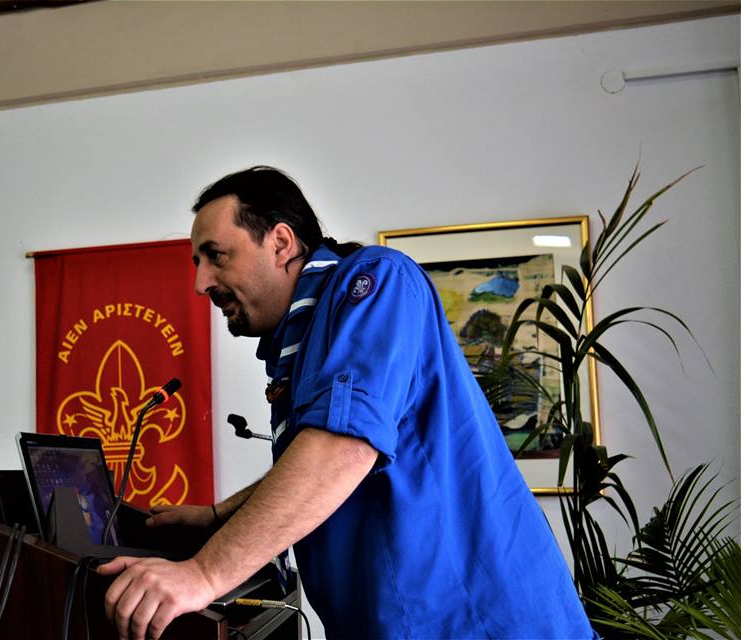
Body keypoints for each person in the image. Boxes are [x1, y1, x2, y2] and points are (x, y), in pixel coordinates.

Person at [98, 166, 594, 640]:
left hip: (474, 623)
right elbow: (318, 461)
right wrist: (217, 515)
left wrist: (205, 575)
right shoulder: (302, 344)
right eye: (198, 263)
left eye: (216, 256)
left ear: (281, 243)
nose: (201, 282)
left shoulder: (377, 282)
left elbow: (343, 449)